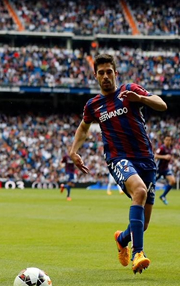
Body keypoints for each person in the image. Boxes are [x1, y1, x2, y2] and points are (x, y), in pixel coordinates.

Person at [69, 54, 167, 274]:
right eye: (101, 73)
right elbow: (84, 128)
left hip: (146, 160)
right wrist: (73, 151)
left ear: (115, 72)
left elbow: (162, 104)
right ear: (95, 76)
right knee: (139, 191)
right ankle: (138, 253)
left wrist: (140, 99)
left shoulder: (129, 91)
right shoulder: (93, 105)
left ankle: (122, 239)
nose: (105, 76)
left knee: (144, 223)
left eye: (109, 72)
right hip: (118, 158)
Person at [154, 135, 175, 205]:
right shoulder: (162, 148)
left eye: (169, 140)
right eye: (166, 140)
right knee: (151, 184)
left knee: (172, 181)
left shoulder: (170, 148)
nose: (168, 141)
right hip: (158, 169)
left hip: (165, 169)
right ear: (164, 141)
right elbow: (155, 156)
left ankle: (163, 196)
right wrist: (164, 157)